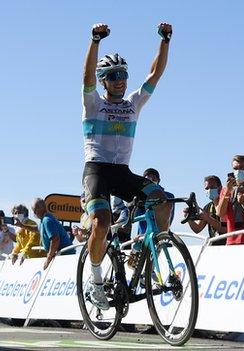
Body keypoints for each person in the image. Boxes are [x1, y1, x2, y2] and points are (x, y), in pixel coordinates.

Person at [81, 22, 173, 310]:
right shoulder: (93, 104)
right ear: (104, 80)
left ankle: (152, 250)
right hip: (97, 170)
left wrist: (165, 40)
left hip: (121, 171)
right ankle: (95, 281)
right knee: (102, 222)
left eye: (124, 75)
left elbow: (155, 74)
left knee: (161, 198)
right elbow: (86, 78)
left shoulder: (134, 103)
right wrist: (95, 41)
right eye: (114, 76)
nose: (121, 80)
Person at [32, 198, 75, 270]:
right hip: (61, 255)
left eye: (34, 210)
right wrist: (22, 225)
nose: (34, 213)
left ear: (40, 209)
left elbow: (55, 239)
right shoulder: (44, 219)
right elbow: (38, 229)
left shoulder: (47, 220)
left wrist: (48, 258)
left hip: (65, 256)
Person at [184, 175, 227, 245]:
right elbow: (197, 229)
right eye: (207, 188)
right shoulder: (208, 207)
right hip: (215, 246)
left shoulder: (227, 204)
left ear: (220, 188)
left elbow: (226, 229)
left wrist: (207, 218)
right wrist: (188, 217)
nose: (209, 190)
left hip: (228, 245)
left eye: (212, 187)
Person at [135, 168, 175, 236]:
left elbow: (170, 217)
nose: (151, 180)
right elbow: (135, 216)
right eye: (148, 179)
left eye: (154, 178)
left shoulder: (169, 196)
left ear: (159, 180)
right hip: (143, 236)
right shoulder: (139, 196)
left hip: (162, 233)